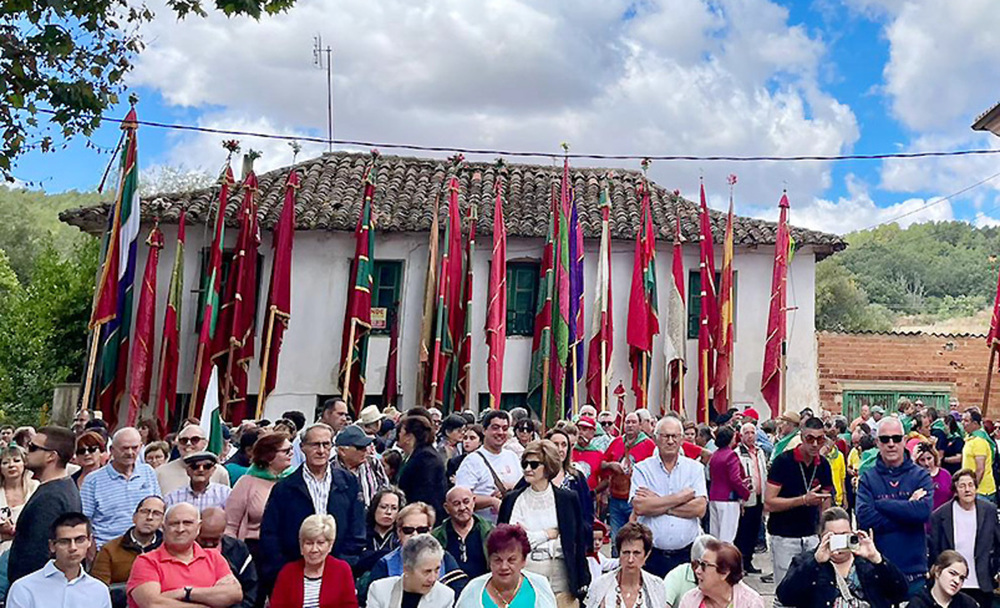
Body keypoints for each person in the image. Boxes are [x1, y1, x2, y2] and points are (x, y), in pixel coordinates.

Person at [259, 423, 366, 592]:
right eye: (315, 445)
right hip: (295, 574)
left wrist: (344, 564)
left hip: (338, 571)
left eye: (326, 444)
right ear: (302, 448)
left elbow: (357, 529)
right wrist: (285, 570)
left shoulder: (348, 482)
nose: (321, 450)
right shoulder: (285, 488)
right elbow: (270, 533)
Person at [498, 439, 590, 606]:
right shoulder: (512, 500)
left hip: (560, 577)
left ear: (548, 467)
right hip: (521, 575)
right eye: (524, 463)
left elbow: (574, 542)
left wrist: (530, 537)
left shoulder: (568, 499)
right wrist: (547, 535)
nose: (527, 469)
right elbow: (507, 543)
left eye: (534, 465)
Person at [856, 417, 933, 598]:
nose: (891, 444)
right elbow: (864, 517)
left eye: (896, 438)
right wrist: (907, 510)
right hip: (878, 570)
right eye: (885, 439)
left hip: (915, 574)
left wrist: (881, 504)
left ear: (904, 440)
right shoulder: (868, 479)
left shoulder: (920, 476)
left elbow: (922, 512)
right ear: (877, 443)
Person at [776, 506, 907, 608]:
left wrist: (877, 559)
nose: (839, 541)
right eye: (833, 535)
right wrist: (815, 562)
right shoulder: (806, 561)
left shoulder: (868, 562)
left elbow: (901, 592)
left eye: (844, 535)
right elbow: (786, 597)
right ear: (822, 536)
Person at [630, 416, 707, 578]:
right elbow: (640, 507)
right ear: (655, 439)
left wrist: (657, 501)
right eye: (665, 436)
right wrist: (680, 497)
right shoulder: (642, 469)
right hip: (652, 555)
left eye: (675, 436)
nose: (670, 441)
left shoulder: (695, 469)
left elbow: (700, 509)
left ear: (681, 439)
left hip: (687, 554)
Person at [127, 502, 242, 608]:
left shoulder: (214, 557)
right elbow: (152, 604)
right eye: (174, 523)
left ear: (198, 527)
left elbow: (234, 593)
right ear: (163, 527)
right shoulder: (146, 561)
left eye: (187, 523)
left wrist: (185, 592)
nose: (180, 529)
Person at [764, 416, 833, 588]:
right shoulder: (783, 462)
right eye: (810, 439)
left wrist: (826, 533)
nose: (815, 444)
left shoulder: (823, 464)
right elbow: (769, 503)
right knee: (785, 590)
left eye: (820, 439)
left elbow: (826, 503)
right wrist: (803, 500)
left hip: (811, 536)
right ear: (802, 438)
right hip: (784, 536)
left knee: (812, 589)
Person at [7, 426, 82, 584]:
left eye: (33, 447)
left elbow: (38, 553)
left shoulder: (51, 497)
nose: (26, 451)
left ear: (51, 456)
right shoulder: (62, 487)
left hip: (34, 590)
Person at [362, 502, 467, 602]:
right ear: (399, 532)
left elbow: (459, 595)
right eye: (408, 530)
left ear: (430, 531)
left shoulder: (444, 559)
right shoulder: (385, 564)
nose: (415, 535)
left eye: (422, 530)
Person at [6, 512, 111, 608]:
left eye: (80, 540)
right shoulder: (24, 588)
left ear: (90, 541)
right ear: (52, 546)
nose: (73, 547)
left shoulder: (99, 590)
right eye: (64, 541)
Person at [928, 469, 1000, 608]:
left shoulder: (990, 510)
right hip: (951, 584)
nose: (967, 490)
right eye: (962, 486)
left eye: (971, 485)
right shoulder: (940, 515)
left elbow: (997, 543)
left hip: (983, 581)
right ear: (955, 489)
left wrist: (995, 569)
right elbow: (935, 551)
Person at [81, 427, 161, 549]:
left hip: (146, 548)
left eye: (134, 448)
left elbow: (158, 508)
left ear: (140, 447)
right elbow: (84, 520)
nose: (130, 452)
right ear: (112, 450)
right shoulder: (93, 480)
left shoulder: (148, 472)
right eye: (124, 448)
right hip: (106, 549)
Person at [225, 431, 293, 561]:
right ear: (269, 456)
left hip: (285, 551)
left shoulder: (293, 481)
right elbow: (230, 525)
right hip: (253, 551)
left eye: (291, 449)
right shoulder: (247, 482)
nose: (291, 454)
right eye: (286, 451)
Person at [455, 524, 558, 608]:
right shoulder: (472, 590)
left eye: (511, 560)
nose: (504, 566)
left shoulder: (540, 585)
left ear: (523, 561)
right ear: (489, 561)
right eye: (498, 560)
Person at [271, 513, 357, 608]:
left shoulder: (342, 569)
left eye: (320, 543)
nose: (314, 549)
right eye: (309, 543)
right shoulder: (287, 572)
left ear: (330, 545)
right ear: (301, 546)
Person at [455, 410, 521, 523]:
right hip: (483, 529)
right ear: (485, 430)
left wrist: (511, 488)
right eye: (495, 428)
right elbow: (459, 498)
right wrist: (491, 501)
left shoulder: (512, 457)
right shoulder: (472, 461)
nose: (500, 432)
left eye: (504, 428)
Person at [600, 413, 655, 543]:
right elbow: (601, 464)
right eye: (627, 422)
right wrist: (610, 465)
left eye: (633, 422)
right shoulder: (616, 442)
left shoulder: (649, 444)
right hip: (615, 499)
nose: (630, 425)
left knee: (635, 539)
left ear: (640, 425)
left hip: (636, 500)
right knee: (616, 539)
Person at [583, 523, 666, 608]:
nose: (630, 559)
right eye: (626, 553)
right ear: (619, 553)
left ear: (646, 555)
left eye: (636, 553)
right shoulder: (600, 585)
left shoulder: (657, 586)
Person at [92, 496, 165, 591]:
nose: (149, 517)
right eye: (144, 512)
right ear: (134, 517)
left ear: (162, 522)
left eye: (156, 513)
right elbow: (99, 589)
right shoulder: (109, 549)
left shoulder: (168, 549)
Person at [368, 534, 455, 608]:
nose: (433, 578)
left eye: (437, 570)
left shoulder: (445, 596)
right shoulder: (380, 590)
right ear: (406, 569)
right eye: (427, 572)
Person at [198, 507, 258, 608]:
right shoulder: (185, 549)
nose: (209, 544)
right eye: (204, 539)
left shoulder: (238, 549)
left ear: (223, 532)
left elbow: (250, 589)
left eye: (214, 539)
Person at [544, 427, 594, 543]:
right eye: (555, 444)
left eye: (564, 445)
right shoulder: (538, 475)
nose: (560, 449)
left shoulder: (576, 477)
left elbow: (587, 511)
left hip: (571, 540)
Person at [678, 540, 763, 608]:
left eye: (704, 565)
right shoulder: (690, 600)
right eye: (698, 564)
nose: (697, 571)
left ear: (724, 573)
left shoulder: (750, 603)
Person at [433, 486, 494, 579]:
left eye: (466, 502)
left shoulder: (491, 532)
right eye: (456, 504)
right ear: (446, 507)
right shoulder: (436, 537)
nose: (462, 508)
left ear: (473, 502)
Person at [396, 416, 447, 521]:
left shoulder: (426, 458)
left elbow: (426, 495)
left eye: (401, 432)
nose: (398, 435)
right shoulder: (413, 455)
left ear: (409, 436)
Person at [157, 424, 230, 495]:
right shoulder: (161, 473)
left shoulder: (220, 472)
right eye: (184, 440)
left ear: (205, 443)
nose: (188, 444)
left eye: (195, 440)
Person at [707, 426, 750, 543]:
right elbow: (735, 479)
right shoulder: (731, 455)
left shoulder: (715, 455)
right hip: (728, 498)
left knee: (714, 537)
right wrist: (745, 493)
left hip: (714, 496)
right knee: (727, 538)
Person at [734, 423, 766, 574]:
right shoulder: (738, 453)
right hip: (746, 499)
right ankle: (740, 562)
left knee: (754, 531)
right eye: (746, 433)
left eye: (752, 432)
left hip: (760, 497)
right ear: (741, 436)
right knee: (743, 532)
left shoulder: (759, 452)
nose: (750, 436)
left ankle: (748, 561)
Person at [333, 425, 390, 508]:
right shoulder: (330, 469)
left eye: (366, 446)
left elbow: (386, 490)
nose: (365, 450)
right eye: (360, 447)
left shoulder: (373, 463)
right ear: (342, 451)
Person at [358, 487, 407, 578]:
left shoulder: (402, 535)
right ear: (374, 508)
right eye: (383, 507)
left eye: (394, 508)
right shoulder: (360, 534)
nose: (388, 512)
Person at [908, 550, 980, 608]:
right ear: (938, 571)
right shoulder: (918, 603)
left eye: (962, 578)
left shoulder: (968, 604)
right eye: (952, 573)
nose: (957, 581)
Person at [0, 445, 38, 554]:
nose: (11, 465)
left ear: (24, 464)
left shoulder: (35, 488)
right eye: (5, 463)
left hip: (29, 549)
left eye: (16, 461)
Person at [164, 450, 231, 511]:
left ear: (213, 470)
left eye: (206, 466)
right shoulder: (172, 497)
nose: (201, 470)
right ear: (188, 471)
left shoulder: (225, 494)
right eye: (195, 466)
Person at [662, 535, 714, 608]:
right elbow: (663, 604)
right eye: (706, 565)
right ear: (694, 565)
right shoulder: (677, 575)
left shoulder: (722, 575)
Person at [961, 410, 995, 499]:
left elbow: (980, 469)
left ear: (975, 423)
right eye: (962, 420)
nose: (963, 423)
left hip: (981, 491)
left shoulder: (979, 441)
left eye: (966, 421)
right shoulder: (970, 438)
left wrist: (972, 488)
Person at [914, 440, 953, 514]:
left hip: (943, 517)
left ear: (934, 457)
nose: (926, 463)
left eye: (929, 458)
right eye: (922, 460)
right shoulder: (915, 477)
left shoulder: (945, 474)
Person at [572, 416, 607, 491]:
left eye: (584, 429)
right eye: (578, 429)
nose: (580, 432)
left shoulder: (598, 454)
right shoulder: (570, 451)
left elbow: (606, 479)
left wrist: (594, 492)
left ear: (592, 432)